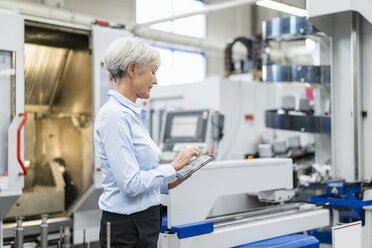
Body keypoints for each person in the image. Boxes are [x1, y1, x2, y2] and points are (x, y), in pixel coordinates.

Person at [94, 37, 200, 248]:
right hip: (126, 228)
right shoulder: (114, 116)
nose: (156, 80)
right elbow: (130, 184)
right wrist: (172, 166)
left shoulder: (131, 115)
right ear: (132, 69)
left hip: (142, 222)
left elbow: (143, 175)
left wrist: (173, 178)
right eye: (153, 72)